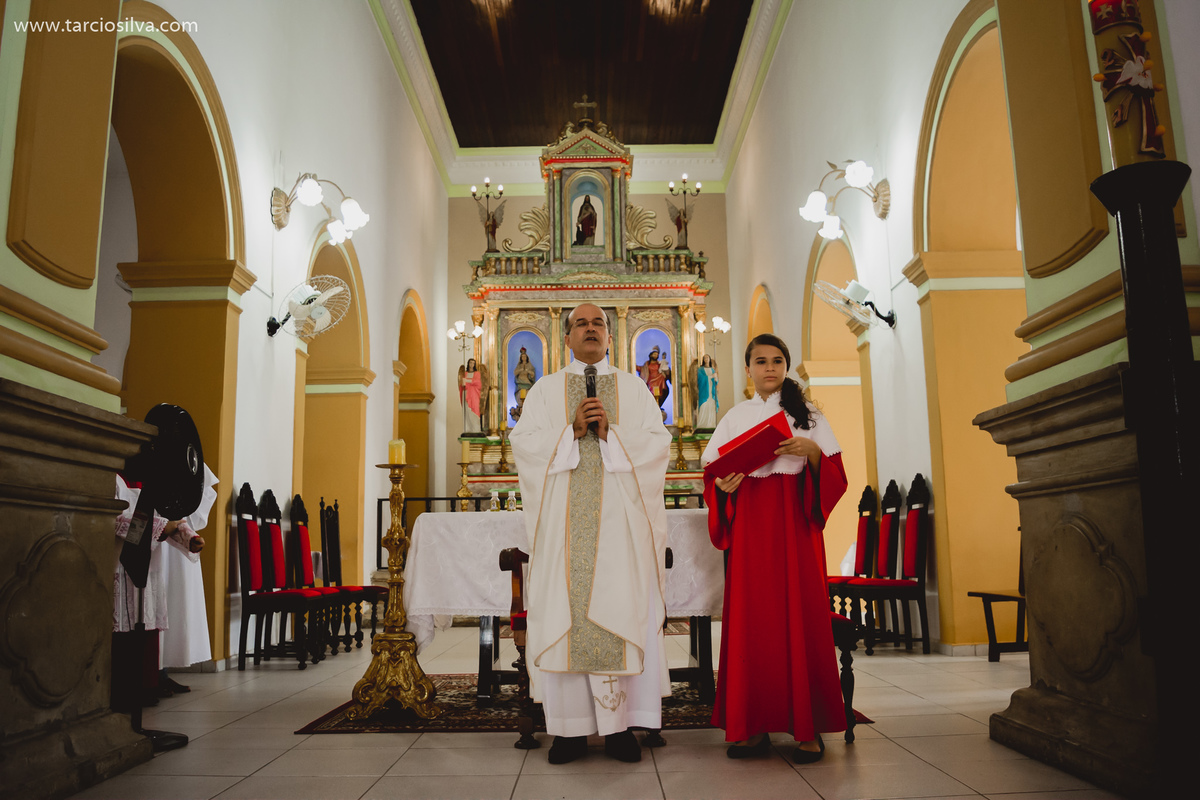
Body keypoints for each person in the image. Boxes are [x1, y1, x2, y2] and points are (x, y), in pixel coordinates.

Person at [509, 302, 672, 765]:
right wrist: (570, 431)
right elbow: (523, 445)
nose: (591, 329)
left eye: (598, 322)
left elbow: (658, 444)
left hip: (620, 531)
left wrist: (610, 438)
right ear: (566, 337)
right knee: (567, 615)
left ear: (609, 335)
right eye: (581, 323)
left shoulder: (636, 388)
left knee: (619, 611)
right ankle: (570, 731)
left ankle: (620, 730)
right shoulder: (543, 391)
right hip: (564, 529)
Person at [701, 333, 848, 763]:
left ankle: (808, 731)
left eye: (777, 360)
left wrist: (812, 452)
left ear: (786, 366)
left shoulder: (811, 415)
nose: (769, 368)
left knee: (801, 614)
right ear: (747, 369)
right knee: (753, 620)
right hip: (751, 528)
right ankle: (752, 728)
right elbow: (714, 474)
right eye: (761, 361)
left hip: (795, 526)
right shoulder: (734, 416)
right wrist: (725, 487)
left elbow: (836, 473)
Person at [112, 472, 212, 710]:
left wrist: (189, 537)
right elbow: (116, 521)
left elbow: (170, 518)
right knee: (123, 630)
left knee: (147, 625)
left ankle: (147, 685)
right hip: (120, 564)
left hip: (149, 566)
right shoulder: (113, 478)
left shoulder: (153, 481)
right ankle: (124, 691)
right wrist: (164, 527)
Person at [159, 464, 218, 694]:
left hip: (177, 532)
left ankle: (160, 672)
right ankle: (151, 673)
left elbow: (204, 487)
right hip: (156, 529)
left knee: (173, 602)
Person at [637, 346, 671, 410]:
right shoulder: (647, 364)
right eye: (654, 354)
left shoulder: (659, 364)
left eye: (657, 355)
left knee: (661, 377)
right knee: (652, 385)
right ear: (651, 355)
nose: (656, 356)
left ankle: (658, 403)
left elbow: (664, 368)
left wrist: (667, 371)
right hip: (650, 380)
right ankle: (653, 403)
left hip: (659, 378)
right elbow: (642, 369)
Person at [458, 358, 486, 433]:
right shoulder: (465, 373)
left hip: (474, 395)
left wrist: (467, 381)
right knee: (466, 411)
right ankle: (467, 429)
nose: (471, 365)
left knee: (474, 411)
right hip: (466, 393)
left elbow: (479, 383)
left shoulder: (477, 373)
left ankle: (476, 429)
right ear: (468, 364)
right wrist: (463, 384)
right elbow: (462, 384)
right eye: (470, 363)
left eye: (473, 363)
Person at [693, 354, 719, 430]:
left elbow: (716, 383)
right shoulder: (700, 370)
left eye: (707, 358)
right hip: (704, 392)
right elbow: (700, 379)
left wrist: (716, 379)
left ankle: (711, 424)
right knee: (704, 406)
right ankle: (702, 425)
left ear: (710, 359)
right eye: (704, 358)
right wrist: (710, 377)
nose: (706, 359)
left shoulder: (712, 370)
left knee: (711, 407)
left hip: (712, 393)